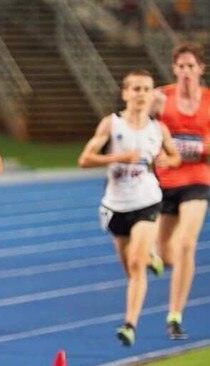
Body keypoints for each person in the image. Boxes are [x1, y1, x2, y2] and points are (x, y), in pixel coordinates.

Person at [79, 69, 181, 346]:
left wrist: (165, 161)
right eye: (135, 89)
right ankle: (152, 255)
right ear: (125, 94)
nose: (141, 94)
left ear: (151, 95)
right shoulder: (111, 124)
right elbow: (85, 159)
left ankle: (129, 325)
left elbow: (174, 158)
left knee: (136, 265)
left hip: (147, 200)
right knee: (131, 268)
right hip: (116, 206)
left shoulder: (158, 129)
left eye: (146, 89)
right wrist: (119, 157)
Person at [151, 42, 210, 340]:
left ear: (201, 69)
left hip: (198, 180)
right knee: (168, 254)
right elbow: (138, 129)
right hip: (165, 182)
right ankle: (158, 254)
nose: (186, 71)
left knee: (187, 243)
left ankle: (174, 315)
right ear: (174, 68)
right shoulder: (161, 98)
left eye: (191, 66)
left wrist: (191, 148)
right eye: (181, 66)